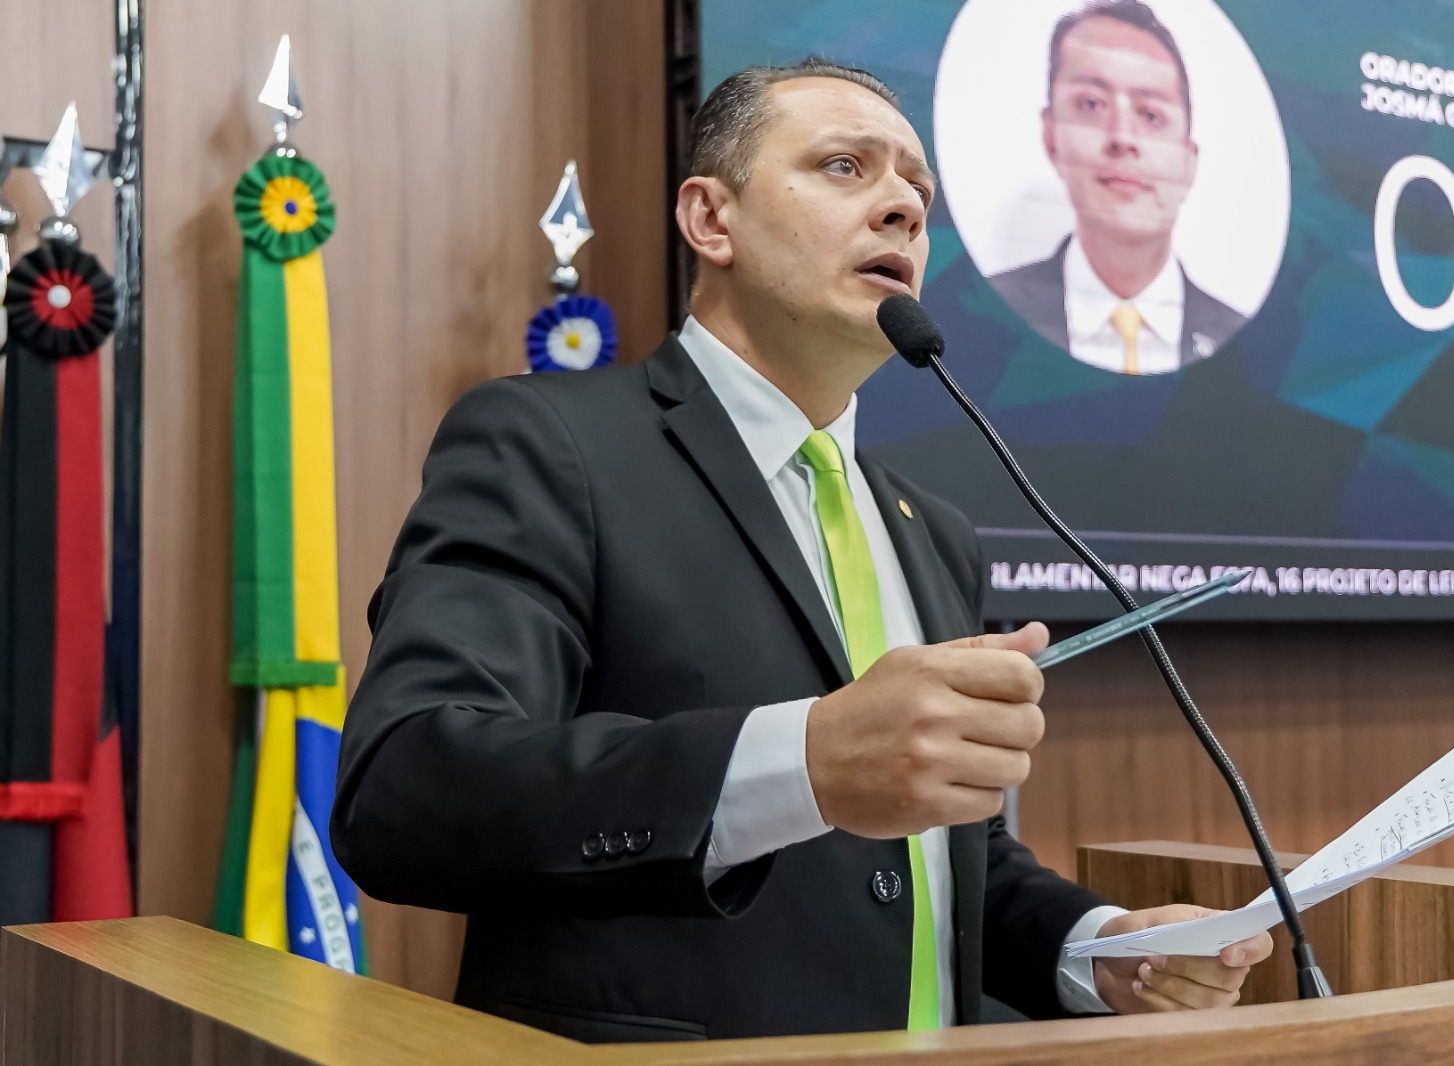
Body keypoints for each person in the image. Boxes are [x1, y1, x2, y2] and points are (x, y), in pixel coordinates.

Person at [331, 56, 1271, 1044]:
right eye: (843, 167)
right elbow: (408, 788)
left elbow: (949, 865)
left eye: (917, 187)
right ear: (710, 219)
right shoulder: (550, 444)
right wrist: (803, 763)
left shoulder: (933, 531)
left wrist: (1097, 948)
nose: (903, 206)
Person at [988, 0, 1245, 375]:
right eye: (1091, 104)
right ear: (1051, 138)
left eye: (1151, 115)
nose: (1122, 137)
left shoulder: (1249, 346)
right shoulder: (981, 314)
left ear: (1189, 161)